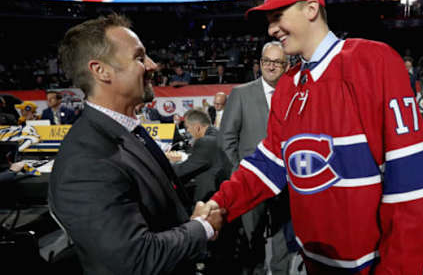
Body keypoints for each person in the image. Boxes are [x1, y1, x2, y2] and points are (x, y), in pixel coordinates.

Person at [203, 0, 423, 274]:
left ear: (311, 8)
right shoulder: (288, 85)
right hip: (314, 262)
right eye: (269, 21)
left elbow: (414, 186)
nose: (272, 29)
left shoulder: (373, 62)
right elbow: (270, 162)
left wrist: (398, 269)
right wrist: (221, 203)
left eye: (278, 16)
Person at [48, 14, 225, 275]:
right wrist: (202, 227)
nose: (153, 65)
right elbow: (136, 259)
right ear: (101, 71)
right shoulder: (88, 160)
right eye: (140, 58)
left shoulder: (126, 131)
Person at [219, 41, 293, 275]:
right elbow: (226, 140)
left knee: (283, 236)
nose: (271, 66)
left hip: (285, 182)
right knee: (253, 239)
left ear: (286, 65)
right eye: (267, 61)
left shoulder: (295, 94)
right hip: (251, 182)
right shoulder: (241, 93)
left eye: (277, 62)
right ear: (260, 63)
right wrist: (240, 174)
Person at [167, 108, 231, 203]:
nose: (187, 131)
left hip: (210, 199)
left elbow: (182, 171)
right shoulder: (216, 134)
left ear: (197, 127)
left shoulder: (205, 141)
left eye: (187, 127)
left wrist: (162, 165)